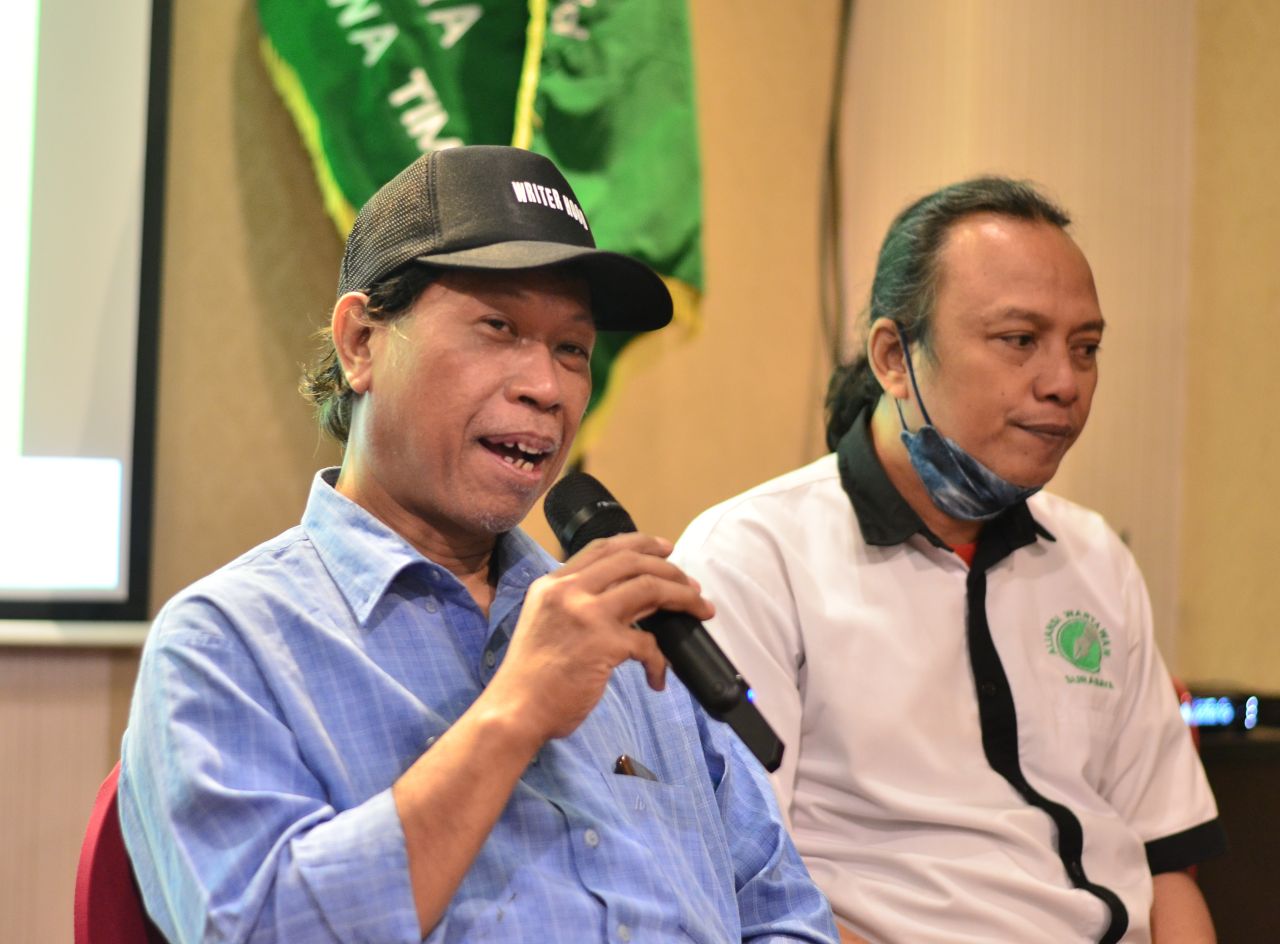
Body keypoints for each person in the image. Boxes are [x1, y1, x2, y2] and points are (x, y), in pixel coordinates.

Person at [119, 145, 838, 944]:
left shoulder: (633, 637)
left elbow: (786, 916)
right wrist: (514, 713)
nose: (547, 387)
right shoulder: (226, 643)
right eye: (499, 328)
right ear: (360, 342)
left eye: (572, 349)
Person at [671, 177, 1226, 944]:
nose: (1064, 383)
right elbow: (742, 883)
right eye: (1020, 340)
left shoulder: (1097, 558)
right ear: (894, 358)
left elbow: (1168, 866)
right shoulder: (754, 558)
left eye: (1086, 348)